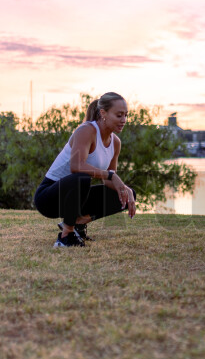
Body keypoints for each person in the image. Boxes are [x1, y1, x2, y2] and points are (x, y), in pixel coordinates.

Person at [33, 92, 136, 247]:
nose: (124, 120)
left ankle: (78, 224)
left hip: (77, 196)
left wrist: (124, 188)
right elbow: (76, 166)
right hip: (49, 198)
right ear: (103, 113)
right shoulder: (86, 130)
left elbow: (108, 181)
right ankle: (65, 236)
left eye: (126, 115)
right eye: (119, 115)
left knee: (127, 193)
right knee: (82, 177)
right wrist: (110, 176)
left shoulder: (115, 143)